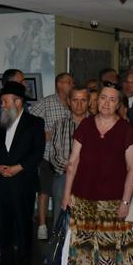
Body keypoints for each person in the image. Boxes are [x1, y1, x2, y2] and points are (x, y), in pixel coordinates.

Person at [51, 84, 133, 265]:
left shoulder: (126, 130)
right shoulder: (86, 125)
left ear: (118, 104)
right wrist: (66, 195)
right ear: (96, 100)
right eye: (102, 98)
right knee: (78, 245)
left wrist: (126, 201)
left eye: (112, 99)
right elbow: (72, 162)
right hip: (83, 196)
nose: (106, 103)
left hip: (113, 200)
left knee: (107, 247)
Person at [0, 81, 46, 265]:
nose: (1, 105)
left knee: (23, 220)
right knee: (3, 220)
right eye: (1, 102)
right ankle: (6, 257)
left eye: (5, 101)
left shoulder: (35, 123)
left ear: (18, 102)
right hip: (1, 181)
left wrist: (19, 167)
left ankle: (25, 260)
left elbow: (37, 152)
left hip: (23, 180)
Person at [30, 72, 74, 240]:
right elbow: (29, 124)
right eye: (68, 82)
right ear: (59, 84)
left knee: (63, 191)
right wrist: (42, 135)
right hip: (48, 155)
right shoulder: (46, 103)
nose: (71, 85)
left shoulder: (73, 104)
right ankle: (42, 225)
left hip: (69, 157)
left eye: (72, 82)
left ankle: (62, 226)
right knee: (44, 190)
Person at [48, 88, 90, 240]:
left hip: (90, 177)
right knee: (61, 215)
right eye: (75, 100)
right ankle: (59, 247)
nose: (79, 104)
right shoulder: (60, 124)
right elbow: (54, 154)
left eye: (83, 100)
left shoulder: (96, 124)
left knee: (88, 218)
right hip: (64, 174)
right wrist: (70, 169)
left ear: (89, 102)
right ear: (68, 102)